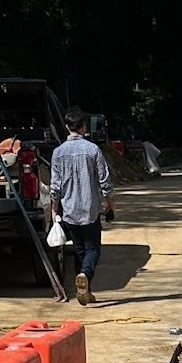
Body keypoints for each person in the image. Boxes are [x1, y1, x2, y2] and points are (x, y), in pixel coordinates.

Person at [50, 108, 114, 306]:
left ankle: (85, 288)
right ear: (84, 127)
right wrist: (110, 205)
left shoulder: (58, 153)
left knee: (79, 251)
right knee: (93, 249)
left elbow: (55, 186)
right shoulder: (92, 150)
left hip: (69, 211)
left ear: (67, 127)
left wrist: (54, 210)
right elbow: (105, 181)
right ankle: (85, 275)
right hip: (90, 209)